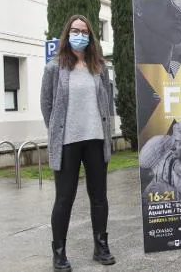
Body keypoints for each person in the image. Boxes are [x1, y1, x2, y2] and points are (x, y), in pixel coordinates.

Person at [41, 14, 115, 271]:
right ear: (67, 33)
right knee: (64, 198)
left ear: (90, 36)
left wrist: (109, 133)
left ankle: (101, 246)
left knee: (99, 197)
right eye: (75, 30)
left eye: (84, 31)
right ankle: (59, 252)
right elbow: (47, 104)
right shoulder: (54, 67)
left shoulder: (99, 67)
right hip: (67, 142)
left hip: (96, 138)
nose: (80, 35)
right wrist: (56, 133)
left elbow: (108, 103)